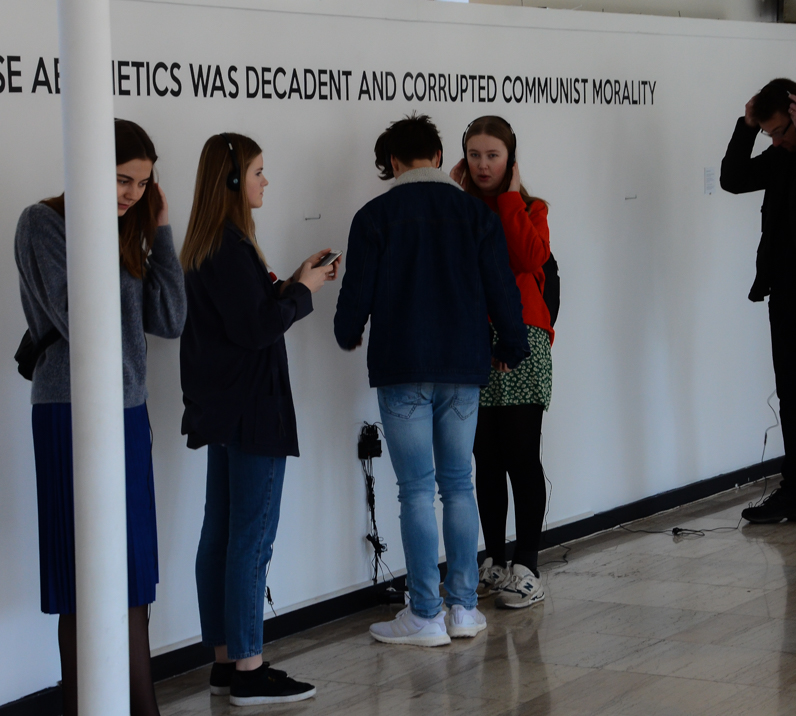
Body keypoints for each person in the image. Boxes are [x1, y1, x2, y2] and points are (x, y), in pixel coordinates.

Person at [334, 114, 529, 647]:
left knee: (416, 490)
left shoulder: (374, 216)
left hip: (402, 367)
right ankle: (463, 609)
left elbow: (357, 292)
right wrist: (511, 347)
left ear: (393, 163)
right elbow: (502, 288)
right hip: (464, 368)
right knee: (459, 484)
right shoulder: (474, 214)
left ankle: (424, 615)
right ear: (441, 157)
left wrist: (347, 332)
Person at [14, 119, 186, 716]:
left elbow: (170, 317)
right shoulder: (43, 223)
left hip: (128, 412)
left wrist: (158, 231)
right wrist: (110, 235)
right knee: (81, 579)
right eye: (121, 180)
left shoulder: (129, 228)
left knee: (132, 577)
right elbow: (81, 318)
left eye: (143, 183)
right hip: (70, 412)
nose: (132, 194)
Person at [179, 132, 338, 706]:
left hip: (224, 411)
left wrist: (292, 280)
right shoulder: (229, 246)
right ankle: (248, 668)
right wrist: (304, 291)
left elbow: (245, 313)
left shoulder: (209, 245)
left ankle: (227, 662)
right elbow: (257, 329)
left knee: (221, 535)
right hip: (252, 411)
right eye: (257, 172)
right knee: (250, 540)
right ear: (231, 181)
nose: (265, 181)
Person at [719, 78, 796, 531]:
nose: (775, 141)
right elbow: (733, 179)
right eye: (769, 133)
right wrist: (747, 127)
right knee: (792, 398)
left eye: (779, 131)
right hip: (788, 297)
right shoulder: (781, 156)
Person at [450, 116, 552, 608]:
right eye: (474, 155)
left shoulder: (531, 208)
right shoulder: (460, 208)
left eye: (493, 155)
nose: (483, 165)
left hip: (523, 339)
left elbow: (531, 258)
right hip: (473, 339)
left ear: (511, 159)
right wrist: (457, 199)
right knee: (484, 458)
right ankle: (493, 560)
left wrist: (510, 199)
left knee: (520, 456)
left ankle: (527, 565)